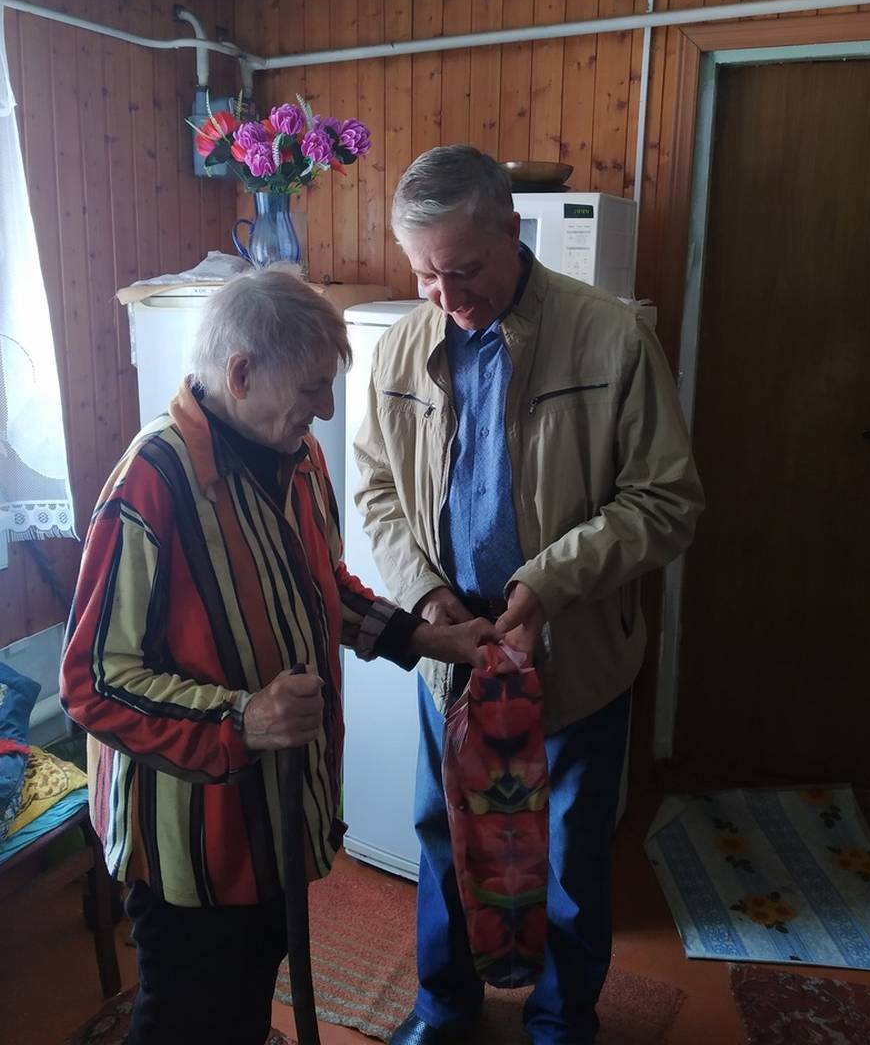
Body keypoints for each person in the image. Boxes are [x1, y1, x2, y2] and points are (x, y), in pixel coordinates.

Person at [60, 267, 497, 1045]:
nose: (325, 408)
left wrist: (425, 636)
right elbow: (91, 684)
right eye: (312, 387)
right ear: (240, 374)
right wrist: (244, 719)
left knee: (246, 997)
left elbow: (323, 586)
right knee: (186, 1018)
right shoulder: (150, 483)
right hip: (189, 843)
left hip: (277, 816)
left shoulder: (296, 458)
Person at [353, 146, 704, 1045]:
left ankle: (561, 1021)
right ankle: (444, 1007)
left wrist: (547, 582)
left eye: (464, 270)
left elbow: (667, 501)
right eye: (425, 274)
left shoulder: (611, 338)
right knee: (442, 834)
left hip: (573, 654)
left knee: (570, 855)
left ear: (513, 231)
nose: (446, 296)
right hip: (453, 656)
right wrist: (424, 596)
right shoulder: (400, 349)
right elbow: (377, 492)